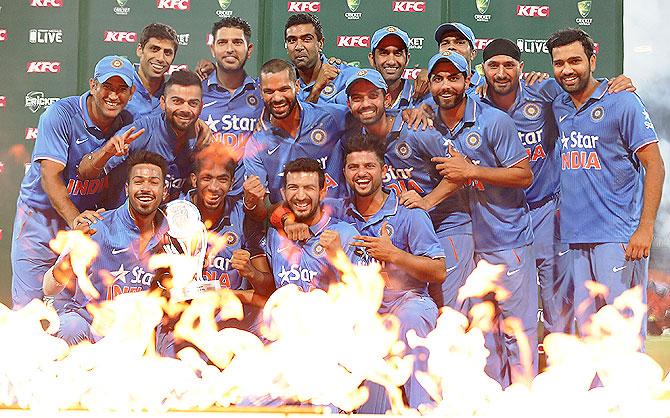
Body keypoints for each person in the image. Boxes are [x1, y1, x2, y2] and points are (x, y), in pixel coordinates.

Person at [546, 28, 665, 340]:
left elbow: (655, 165)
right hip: (574, 239)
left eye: (575, 60)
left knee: (622, 335)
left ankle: (628, 391)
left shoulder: (622, 101)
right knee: (588, 336)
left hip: (618, 239)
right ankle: (596, 391)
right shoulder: (558, 104)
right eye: (559, 63)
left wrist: (645, 229)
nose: (567, 69)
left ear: (592, 60)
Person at [430, 51, 537, 386]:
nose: (446, 85)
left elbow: (524, 175)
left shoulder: (494, 121)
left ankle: (522, 405)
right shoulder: (425, 120)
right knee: (478, 333)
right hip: (463, 243)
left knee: (516, 331)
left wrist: (472, 170)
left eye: (453, 78)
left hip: (506, 238)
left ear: (467, 80)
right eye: (438, 78)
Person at [325, 137, 445, 412]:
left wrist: (394, 255)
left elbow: (438, 270)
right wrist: (285, 219)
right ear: (344, 172)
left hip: (407, 300)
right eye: (353, 167)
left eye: (369, 166)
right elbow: (295, 201)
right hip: (362, 310)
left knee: (410, 319)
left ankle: (424, 409)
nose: (361, 173)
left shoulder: (408, 212)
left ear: (384, 170)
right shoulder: (338, 209)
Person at [11, 55, 135, 308]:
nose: (113, 95)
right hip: (42, 221)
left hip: (84, 224)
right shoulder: (61, 114)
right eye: (107, 87)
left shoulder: (127, 124)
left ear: (131, 93)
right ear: (93, 86)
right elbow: (50, 175)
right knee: (30, 310)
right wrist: (74, 220)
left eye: (121, 89)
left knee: (70, 311)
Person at [343, 68, 473, 312]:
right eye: (357, 98)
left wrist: (427, 201)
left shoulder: (416, 129)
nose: (365, 103)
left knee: (449, 312)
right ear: (349, 104)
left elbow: (462, 169)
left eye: (372, 96)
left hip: (446, 223)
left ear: (387, 99)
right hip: (406, 229)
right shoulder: (358, 138)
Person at [43, 151, 170, 345]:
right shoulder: (96, 227)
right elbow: (49, 288)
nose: (145, 188)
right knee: (70, 327)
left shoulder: (173, 233)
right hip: (92, 323)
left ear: (164, 191)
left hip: (142, 328)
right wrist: (70, 258)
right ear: (127, 189)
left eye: (153, 182)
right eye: (138, 181)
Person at [78, 70, 209, 208]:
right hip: (128, 222)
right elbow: (84, 173)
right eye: (177, 101)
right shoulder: (141, 131)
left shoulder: (203, 140)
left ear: (201, 107)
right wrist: (106, 152)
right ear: (163, 103)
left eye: (193, 103)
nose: (185, 109)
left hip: (173, 223)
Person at [243, 59, 349, 216]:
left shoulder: (329, 117)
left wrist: (398, 117)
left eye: (284, 89)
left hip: (335, 223)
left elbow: (372, 121)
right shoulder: (257, 144)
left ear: (297, 86)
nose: (277, 98)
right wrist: (251, 202)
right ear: (260, 91)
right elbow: (260, 213)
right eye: (269, 91)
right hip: (287, 229)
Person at [264, 158, 361, 292]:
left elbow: (363, 295)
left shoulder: (346, 234)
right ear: (283, 193)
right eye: (293, 188)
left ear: (322, 192)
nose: (301, 196)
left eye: (309, 188)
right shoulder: (274, 235)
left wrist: (339, 259)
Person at [200, 17, 263, 197]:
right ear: (213, 49)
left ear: (249, 50)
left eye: (237, 42)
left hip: (249, 199)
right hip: (206, 197)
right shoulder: (195, 94)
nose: (229, 49)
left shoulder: (264, 94)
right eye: (222, 42)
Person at [284, 13, 359, 104]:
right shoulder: (281, 83)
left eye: (307, 39)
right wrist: (316, 89)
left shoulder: (349, 77)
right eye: (292, 40)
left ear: (320, 43)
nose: (298, 47)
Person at [126, 23, 179, 119]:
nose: (160, 58)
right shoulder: (121, 87)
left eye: (167, 53)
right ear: (139, 50)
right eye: (154, 49)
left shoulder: (174, 95)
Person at [367, 26, 415, 110]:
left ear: (407, 59)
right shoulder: (356, 99)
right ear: (372, 59)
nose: (391, 61)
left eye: (398, 53)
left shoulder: (420, 101)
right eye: (384, 53)